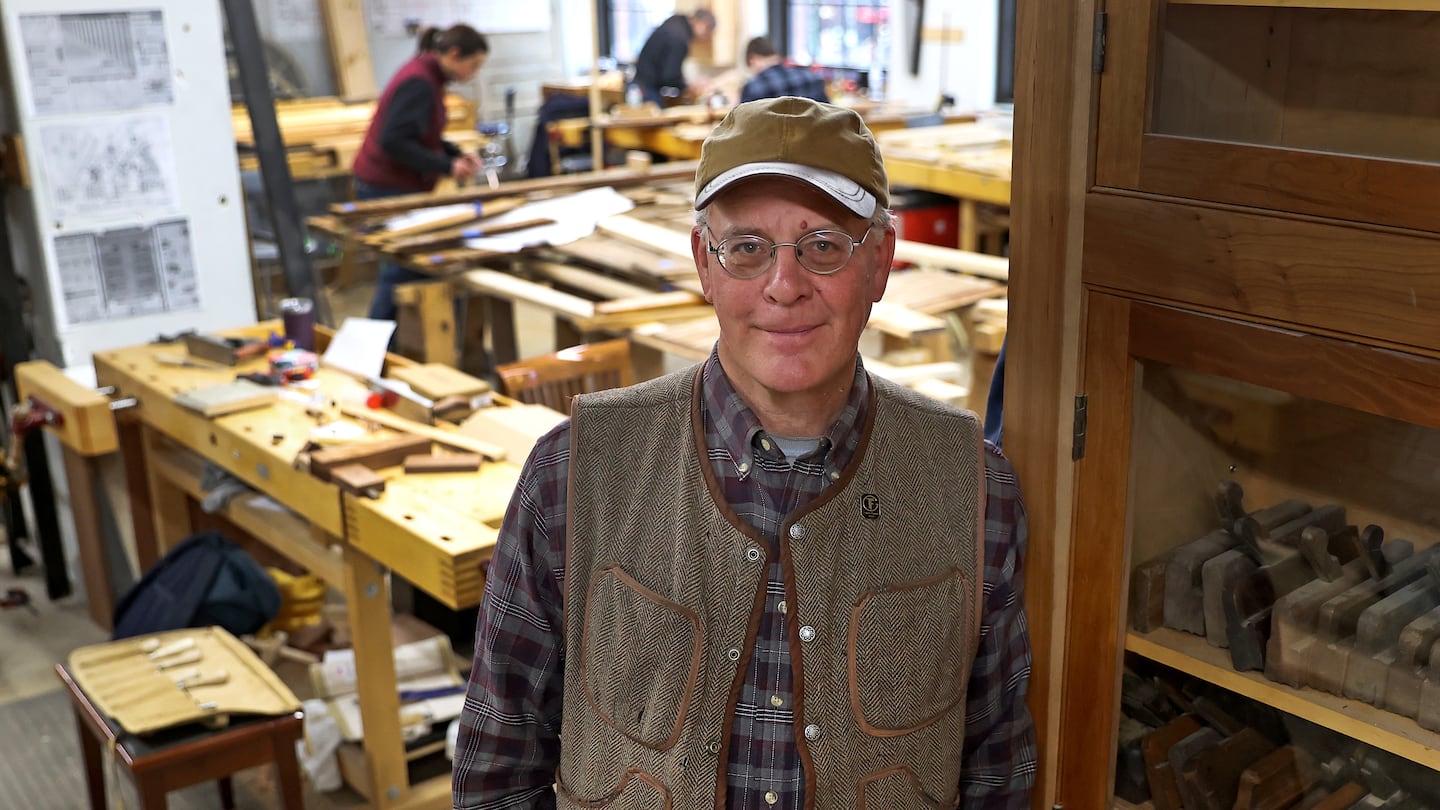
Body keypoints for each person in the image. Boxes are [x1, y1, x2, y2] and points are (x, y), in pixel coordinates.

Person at [451, 96, 1036, 809]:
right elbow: (497, 779)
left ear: (880, 262)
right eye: (747, 247)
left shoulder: (974, 490)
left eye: (823, 245)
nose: (784, 287)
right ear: (705, 262)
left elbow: (996, 777)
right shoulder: (573, 475)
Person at [353, 24, 488, 321]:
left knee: (405, 272)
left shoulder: (426, 75)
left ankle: (400, 348)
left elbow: (421, 134)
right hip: (386, 188)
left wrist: (454, 154)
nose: (474, 72)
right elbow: (394, 141)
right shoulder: (420, 82)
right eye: (473, 64)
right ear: (454, 54)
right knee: (399, 273)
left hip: (391, 184)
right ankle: (376, 355)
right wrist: (447, 166)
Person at [631, 9, 715, 106]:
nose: (705, 37)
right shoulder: (679, 37)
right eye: (708, 32)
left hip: (641, 81)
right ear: (704, 24)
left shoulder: (676, 23)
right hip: (648, 87)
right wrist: (690, 86)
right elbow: (670, 76)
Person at [740, 36, 829, 103]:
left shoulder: (754, 87)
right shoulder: (811, 77)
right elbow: (828, 116)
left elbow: (742, 124)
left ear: (752, 60)